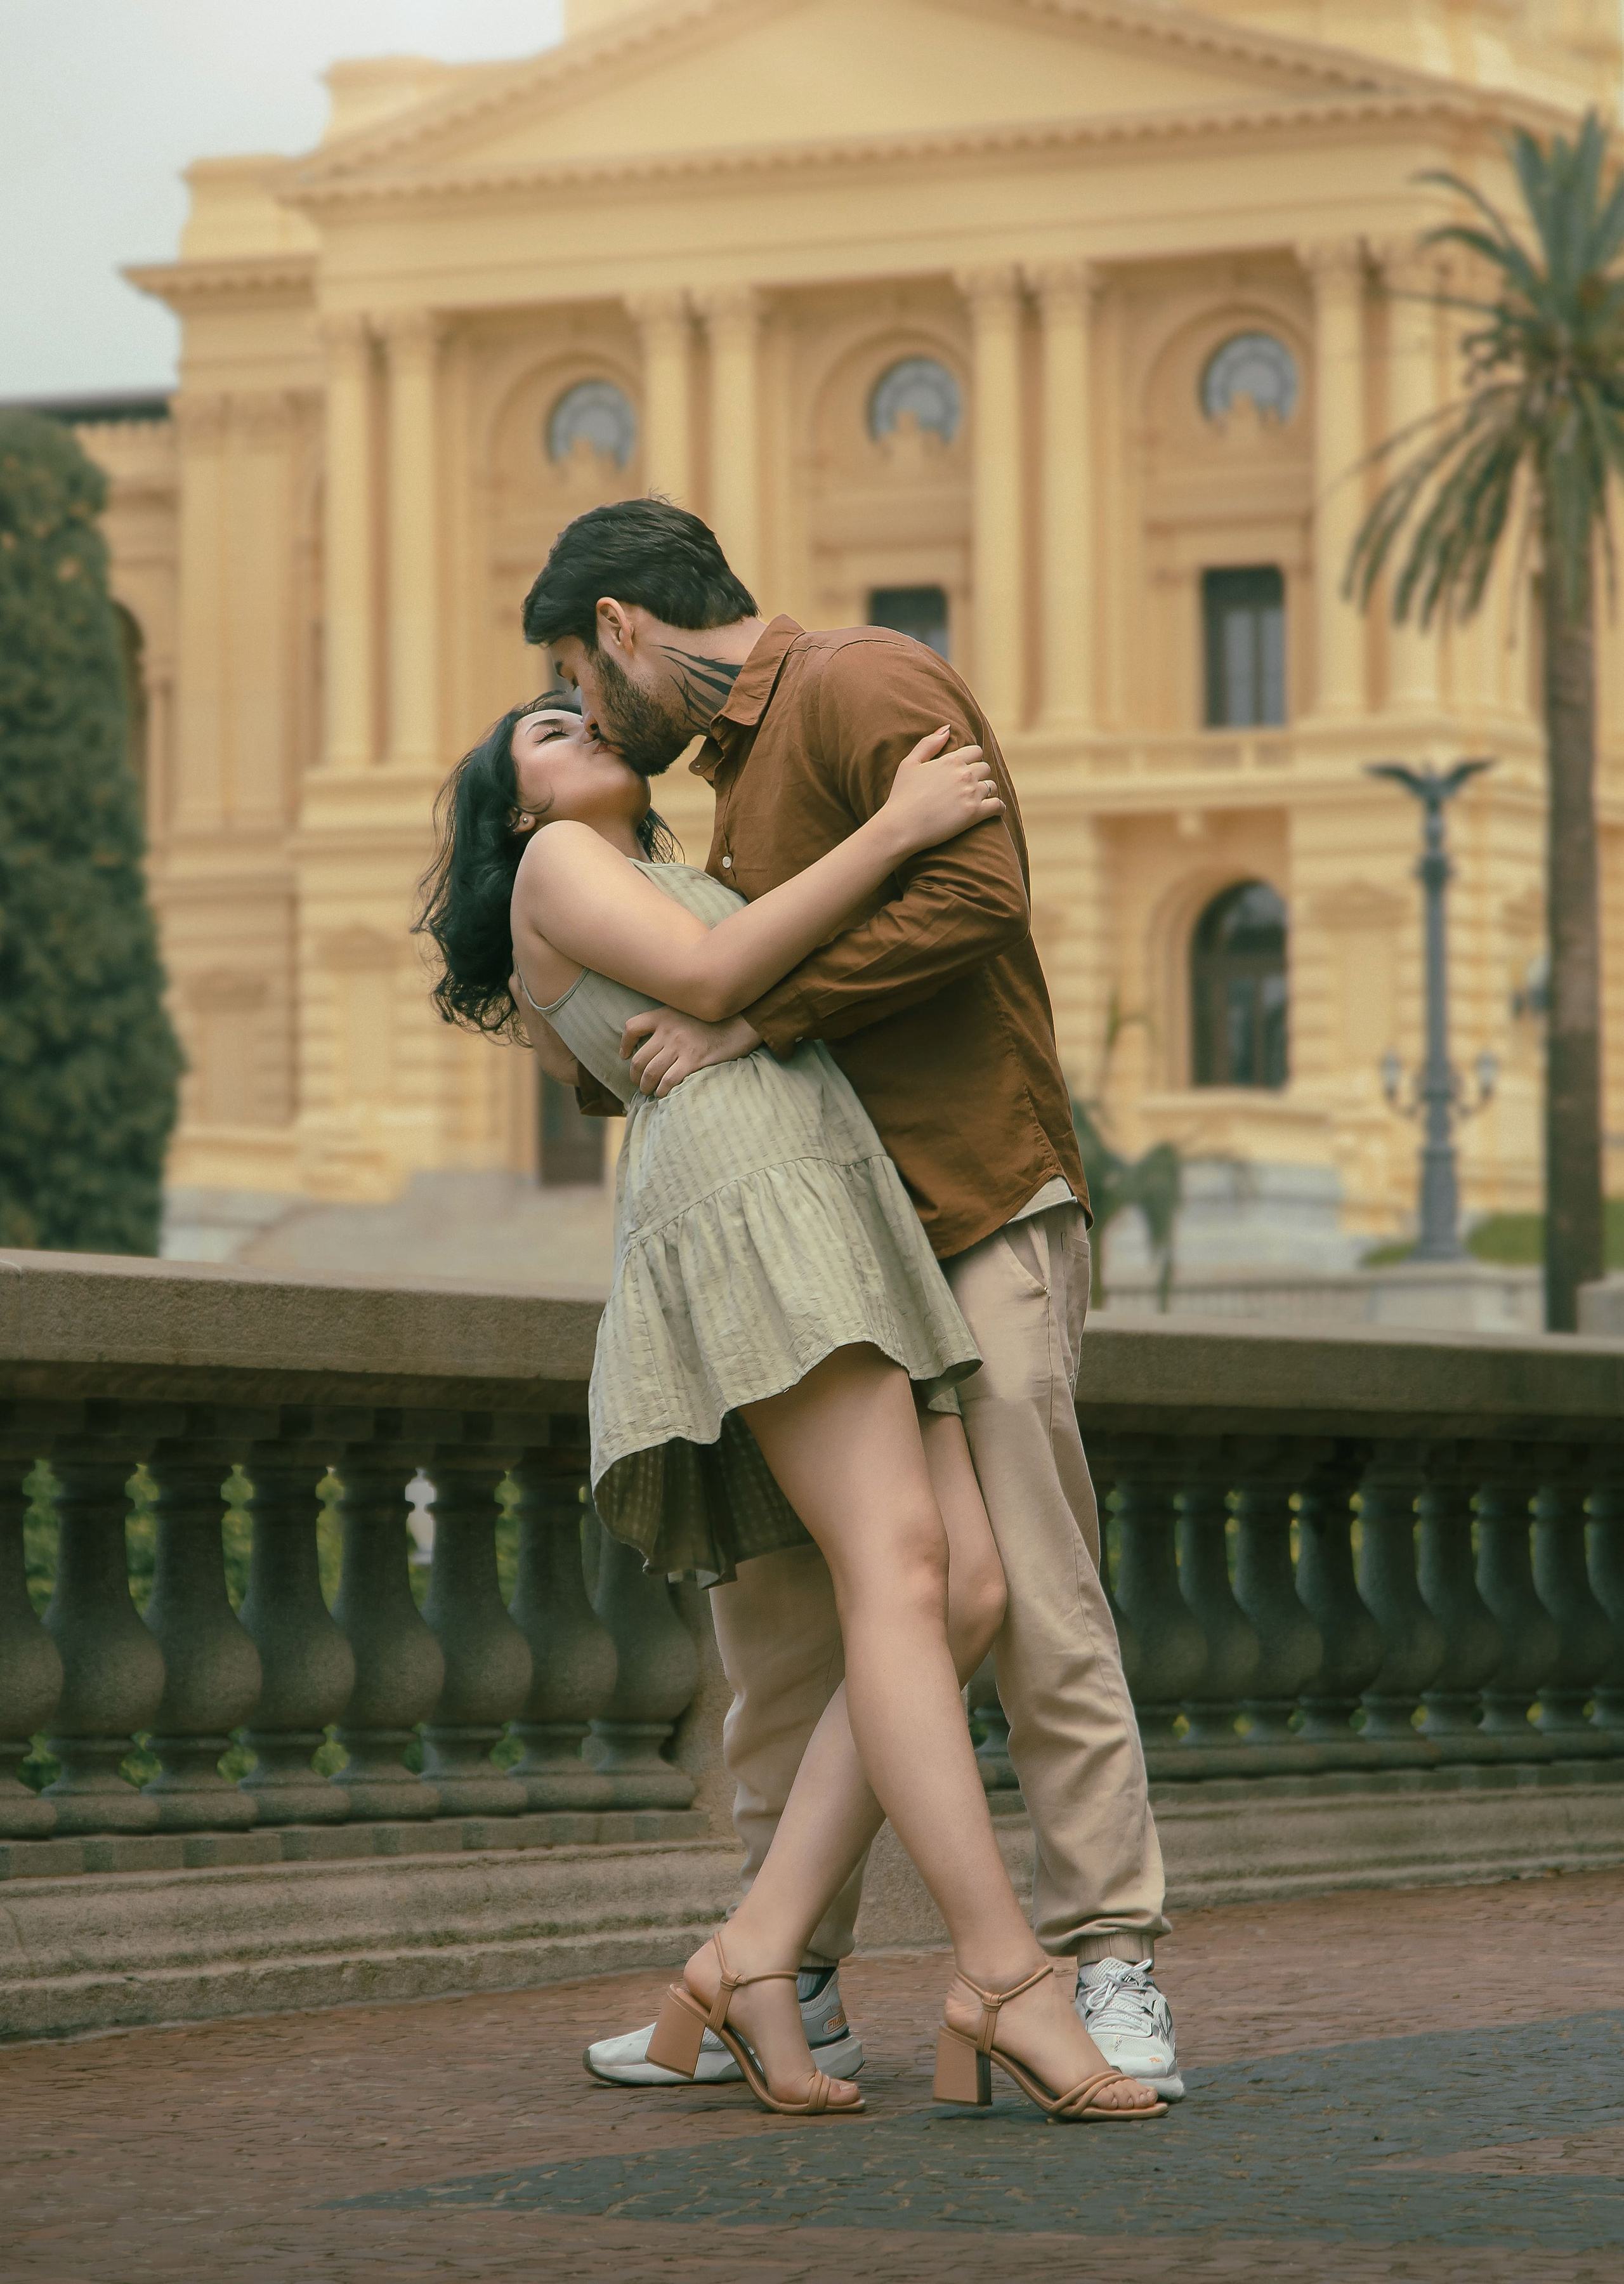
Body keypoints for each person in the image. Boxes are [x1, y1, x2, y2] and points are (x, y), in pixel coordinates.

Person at [417, 688, 1163, 2127]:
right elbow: (707, 980)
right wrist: (896, 826)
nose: (584, 728)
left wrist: (774, 977)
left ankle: (753, 1953)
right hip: (754, 1204)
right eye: (549, 737)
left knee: (966, 1594)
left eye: (585, 713)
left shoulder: (650, 858)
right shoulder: (561, 866)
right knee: (902, 1575)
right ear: (515, 810)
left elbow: (741, 983)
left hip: (833, 1194)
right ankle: (1004, 1975)